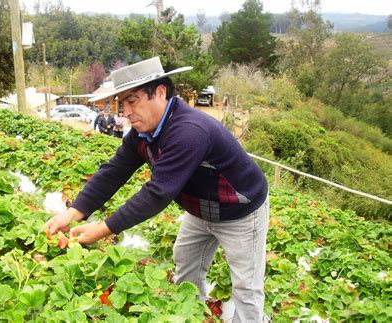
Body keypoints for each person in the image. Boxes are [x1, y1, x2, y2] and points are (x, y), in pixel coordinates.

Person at [45, 56, 269, 322]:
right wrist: (71, 214)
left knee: (246, 287)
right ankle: (191, 314)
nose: (125, 112)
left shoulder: (189, 130)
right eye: (121, 103)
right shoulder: (141, 134)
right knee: (186, 267)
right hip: (200, 209)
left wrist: (103, 229)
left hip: (240, 210)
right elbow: (113, 172)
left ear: (160, 92)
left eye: (132, 101)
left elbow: (158, 192)